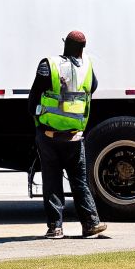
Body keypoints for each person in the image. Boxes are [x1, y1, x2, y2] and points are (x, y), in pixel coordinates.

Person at [29, 30, 108, 239]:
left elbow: (33, 98)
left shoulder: (49, 66)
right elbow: (91, 90)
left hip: (49, 134)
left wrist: (38, 122)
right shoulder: (88, 69)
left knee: (52, 180)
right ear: (82, 49)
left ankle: (55, 227)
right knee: (79, 181)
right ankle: (91, 224)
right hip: (74, 136)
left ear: (65, 45)